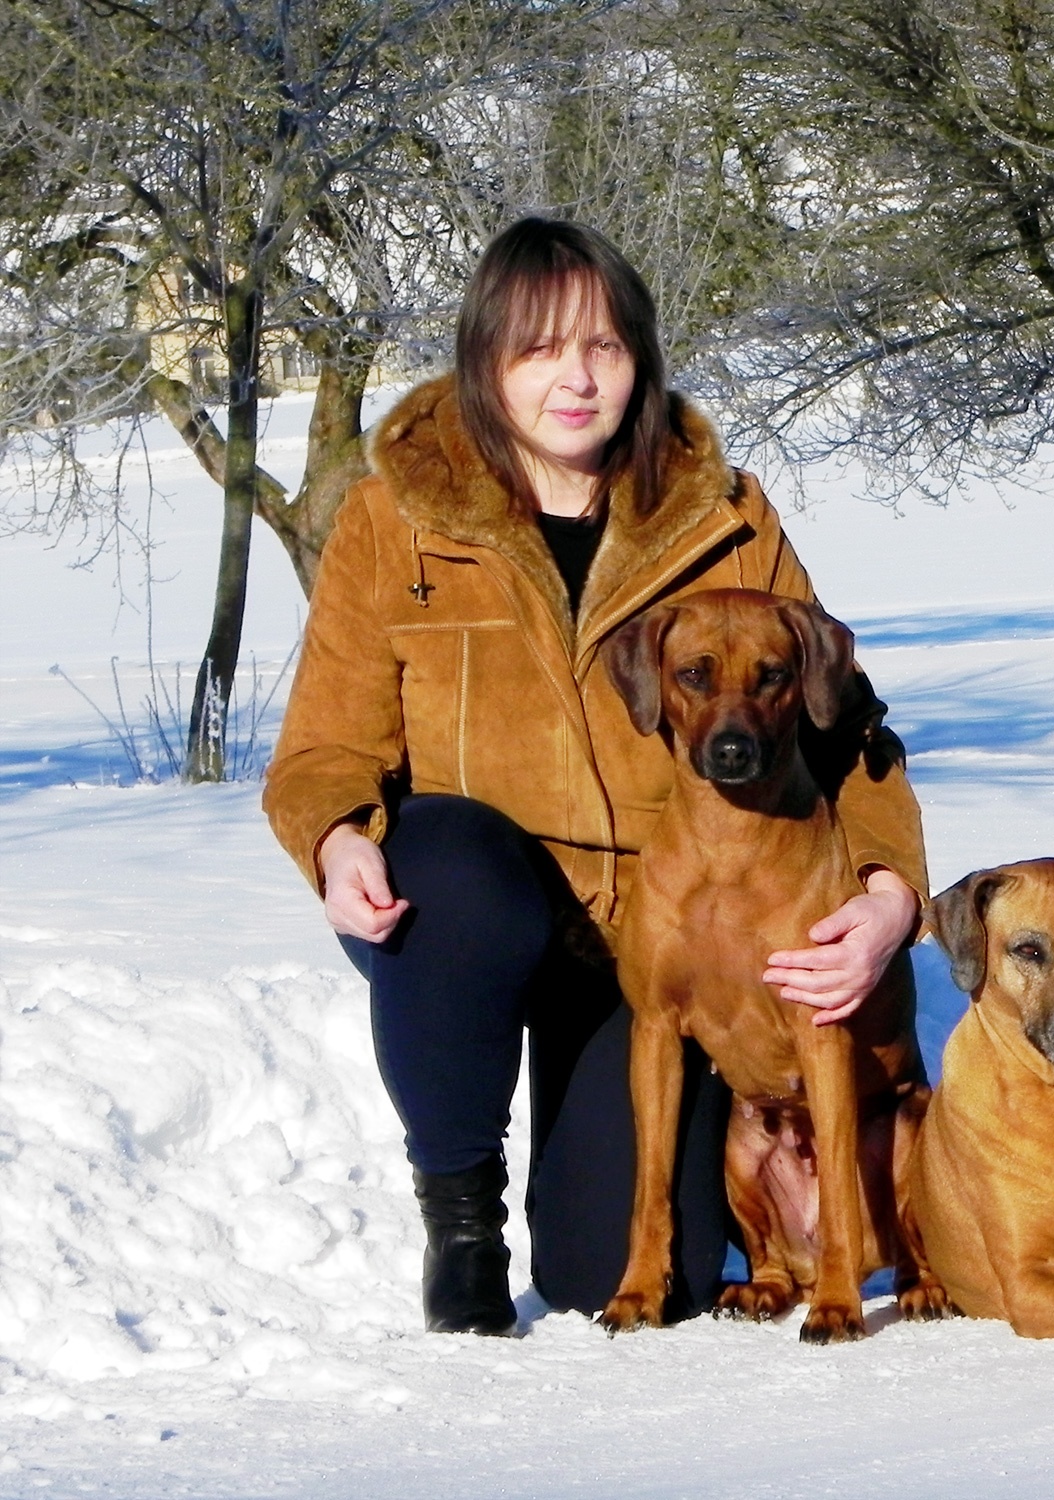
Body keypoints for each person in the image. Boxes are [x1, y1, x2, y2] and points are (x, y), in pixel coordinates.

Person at [263, 218, 928, 1335]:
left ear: (642, 359)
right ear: (484, 359)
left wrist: (886, 896)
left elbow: (840, 728)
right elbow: (326, 745)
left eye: (605, 348)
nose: (576, 378)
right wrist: (336, 838)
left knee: (624, 1284)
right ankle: (462, 1220)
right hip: (484, 905)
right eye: (538, 349)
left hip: (661, 927)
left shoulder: (721, 517)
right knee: (453, 862)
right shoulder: (395, 517)